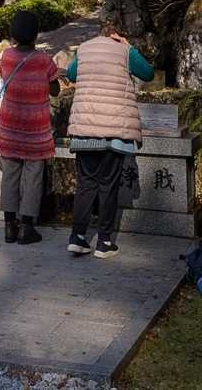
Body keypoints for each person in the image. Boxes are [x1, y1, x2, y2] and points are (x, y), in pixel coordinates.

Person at [63, 18, 154, 259]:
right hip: (114, 132)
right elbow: (148, 73)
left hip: (84, 131)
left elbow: (71, 74)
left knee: (85, 185)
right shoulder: (125, 50)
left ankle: (77, 238)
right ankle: (103, 242)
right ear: (118, 35)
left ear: (98, 34)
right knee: (108, 186)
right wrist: (129, 47)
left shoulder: (84, 49)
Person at [0, 8, 60, 246]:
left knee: (9, 175)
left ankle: (9, 226)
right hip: (36, 129)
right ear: (35, 35)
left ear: (13, 34)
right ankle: (27, 227)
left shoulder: (7, 56)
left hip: (10, 127)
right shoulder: (43, 60)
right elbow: (55, 89)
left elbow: (3, 75)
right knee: (33, 177)